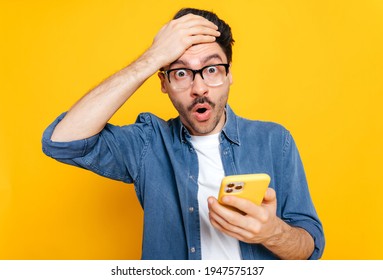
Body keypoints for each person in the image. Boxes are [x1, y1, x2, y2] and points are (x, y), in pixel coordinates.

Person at [42, 8, 325, 260]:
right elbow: (63, 142)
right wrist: (152, 58)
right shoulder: (148, 143)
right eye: (181, 73)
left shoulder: (275, 141)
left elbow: (310, 248)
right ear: (163, 82)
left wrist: (272, 233)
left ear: (229, 75)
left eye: (212, 69)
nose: (199, 88)